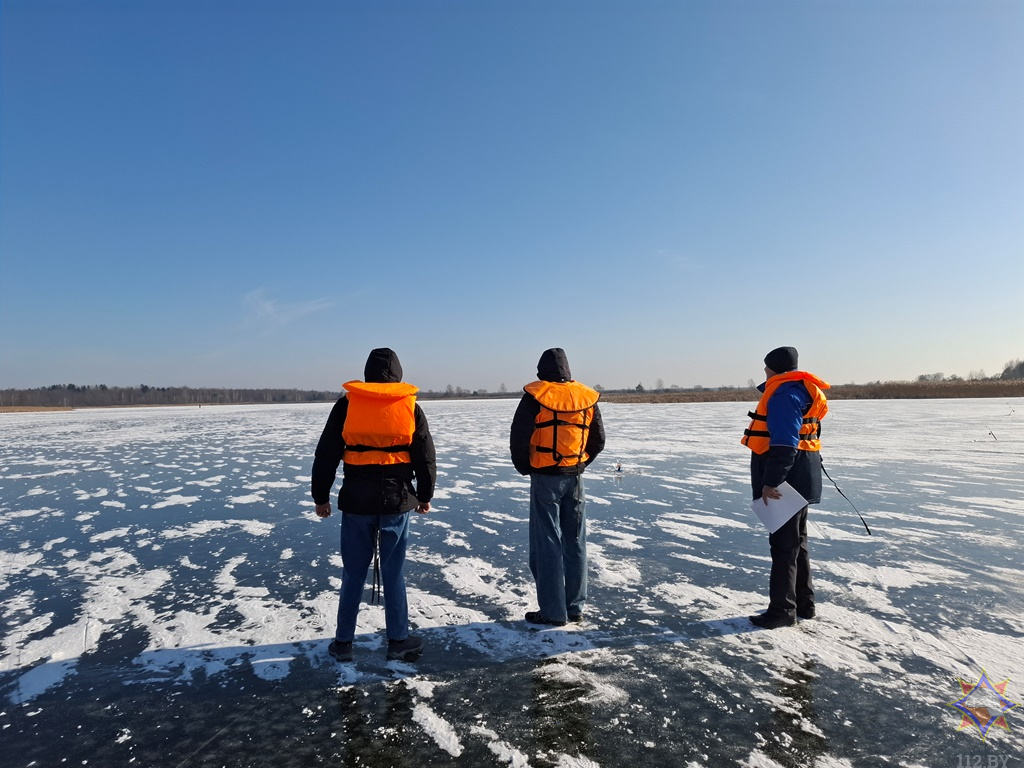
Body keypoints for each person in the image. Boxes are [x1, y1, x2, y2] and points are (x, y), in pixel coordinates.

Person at [311, 348, 436, 661]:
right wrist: (425, 495)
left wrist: (321, 497)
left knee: (353, 573)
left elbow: (326, 454)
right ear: (398, 374)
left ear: (367, 373)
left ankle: (342, 643)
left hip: (356, 502)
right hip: (396, 502)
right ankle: (398, 640)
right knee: (394, 573)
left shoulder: (347, 404)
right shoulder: (410, 407)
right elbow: (425, 456)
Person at [510, 348, 605, 626]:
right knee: (575, 541)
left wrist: (526, 468)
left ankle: (553, 611)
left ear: (542, 370)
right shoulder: (586, 397)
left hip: (545, 478)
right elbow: (598, 439)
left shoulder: (536, 396)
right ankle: (574, 607)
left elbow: (519, 437)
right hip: (575, 477)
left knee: (546, 543)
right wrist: (579, 464)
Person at [742, 346, 830, 629]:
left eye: (766, 367)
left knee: (783, 545)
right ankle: (805, 603)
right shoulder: (803, 390)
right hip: (804, 473)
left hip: (787, 479)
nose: (764, 372)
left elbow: (784, 442)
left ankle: (782, 610)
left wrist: (771, 481)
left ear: (774, 368)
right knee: (797, 542)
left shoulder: (783, 394)